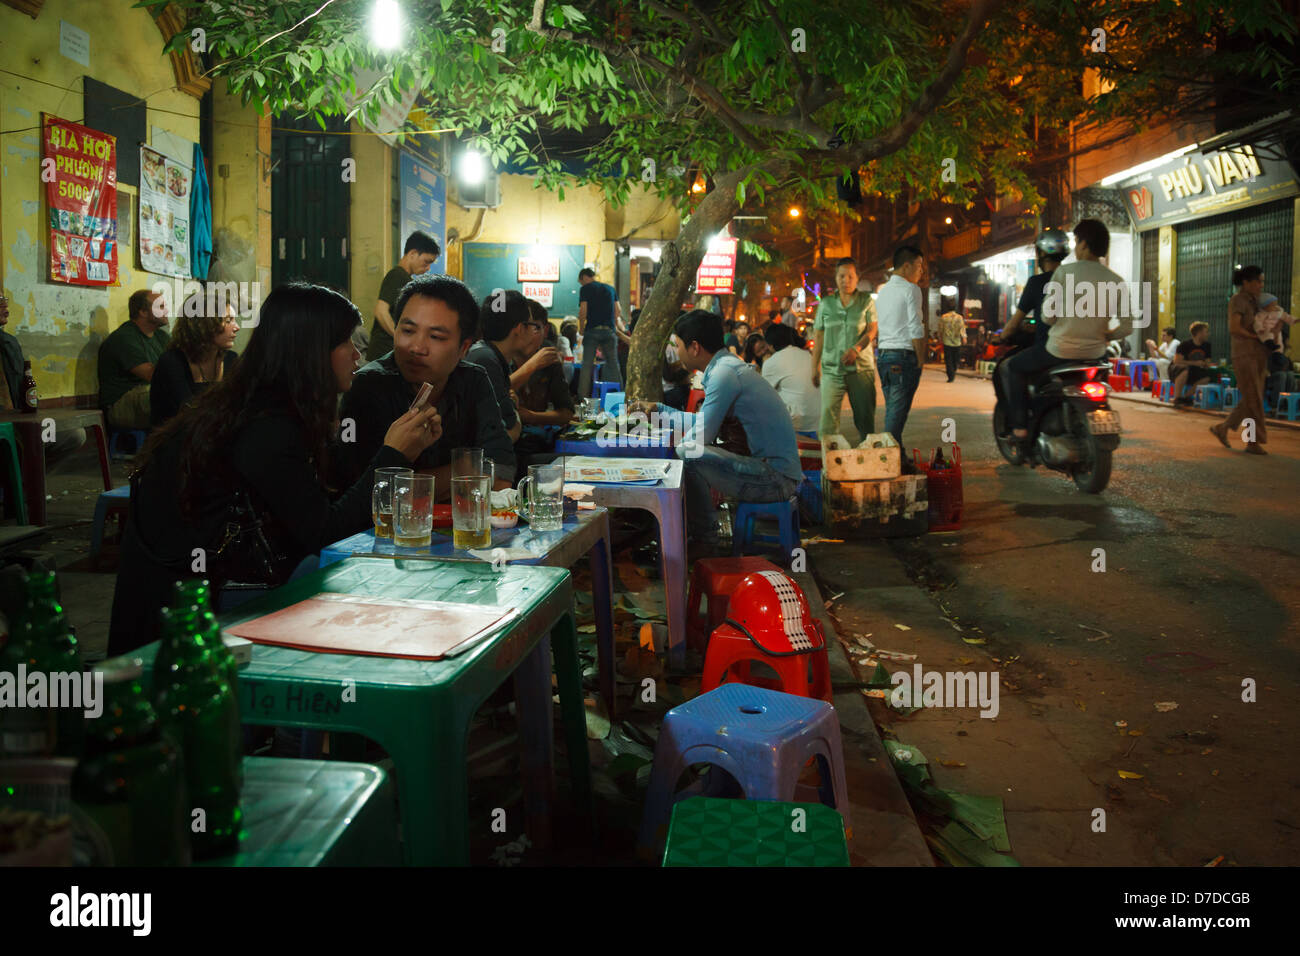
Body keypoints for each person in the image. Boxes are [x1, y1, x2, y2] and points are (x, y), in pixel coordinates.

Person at [107, 282, 441, 655]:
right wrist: (394, 456)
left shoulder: (260, 404)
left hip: (201, 591)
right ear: (312, 351)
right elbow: (324, 533)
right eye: (347, 342)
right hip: (189, 621)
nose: (357, 355)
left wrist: (395, 450)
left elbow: (328, 492)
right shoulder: (265, 425)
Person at [635, 310, 801, 557]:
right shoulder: (726, 368)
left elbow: (699, 438)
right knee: (685, 453)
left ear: (694, 347)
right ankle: (696, 535)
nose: (677, 352)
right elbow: (704, 423)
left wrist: (661, 467)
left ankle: (704, 540)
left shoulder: (725, 375)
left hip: (775, 479)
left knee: (686, 455)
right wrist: (658, 412)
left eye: (678, 346)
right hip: (774, 471)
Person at [340, 273, 515, 496]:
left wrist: (414, 481)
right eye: (408, 331)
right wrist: (463, 470)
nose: (417, 348)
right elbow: (366, 491)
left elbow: (500, 472)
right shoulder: (367, 386)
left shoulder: (474, 379)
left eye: (436, 336)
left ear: (463, 349)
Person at [1001, 221, 1129, 443]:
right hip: (1096, 354)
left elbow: (1047, 317)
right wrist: (1108, 335)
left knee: (1014, 366)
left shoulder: (1064, 272)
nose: (1076, 247)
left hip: (1059, 351)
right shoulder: (1116, 281)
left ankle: (1020, 428)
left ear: (1085, 244)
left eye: (1077, 241)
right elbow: (1128, 326)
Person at [0, 292, 85, 467]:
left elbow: (22, 388)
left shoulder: (9, 343)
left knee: (73, 434)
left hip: (17, 425)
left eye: (4, 300)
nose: (5, 307)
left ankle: (25, 486)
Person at [811, 257, 877, 442]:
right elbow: (819, 336)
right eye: (841, 276)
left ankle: (868, 462)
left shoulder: (866, 301)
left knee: (865, 421)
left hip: (861, 369)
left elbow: (872, 330)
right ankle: (829, 463)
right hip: (832, 370)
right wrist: (814, 367)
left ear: (857, 278)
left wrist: (856, 349)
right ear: (836, 278)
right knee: (827, 423)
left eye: (850, 276)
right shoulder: (825, 304)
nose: (845, 280)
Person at [150, 301, 239, 427]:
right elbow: (186, 414)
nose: (237, 327)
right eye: (229, 320)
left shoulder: (231, 359)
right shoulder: (172, 361)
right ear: (203, 325)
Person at [1210, 266, 1269, 455]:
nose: (1261, 285)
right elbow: (1235, 328)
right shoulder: (1238, 300)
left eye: (1262, 281)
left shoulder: (1256, 301)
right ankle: (1251, 442)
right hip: (1245, 355)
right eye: (1258, 281)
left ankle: (1223, 427)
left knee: (1253, 397)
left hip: (1258, 354)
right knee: (1253, 399)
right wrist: (1255, 337)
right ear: (1246, 282)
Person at [874, 246, 928, 446]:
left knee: (893, 411)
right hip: (903, 357)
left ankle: (898, 456)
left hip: (884, 356)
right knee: (897, 416)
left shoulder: (883, 291)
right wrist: (921, 359)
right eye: (919, 266)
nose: (921, 271)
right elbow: (915, 327)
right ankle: (886, 457)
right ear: (906, 266)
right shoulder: (911, 289)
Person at [98, 289, 171, 429]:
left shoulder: (162, 337)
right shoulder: (124, 338)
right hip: (120, 405)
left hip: (146, 394)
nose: (166, 311)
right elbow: (154, 376)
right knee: (168, 394)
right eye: (161, 306)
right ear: (143, 312)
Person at [366, 231, 440, 363]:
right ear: (412, 254)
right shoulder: (397, 276)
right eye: (426, 262)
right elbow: (381, 311)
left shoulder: (406, 279)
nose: (428, 268)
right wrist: (399, 338)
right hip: (382, 353)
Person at [995, 229, 1069, 352]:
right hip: (1075, 349)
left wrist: (1001, 337)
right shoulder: (1074, 279)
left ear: (1042, 253)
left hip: (1047, 350)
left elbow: (1013, 325)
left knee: (1007, 367)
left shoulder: (1036, 282)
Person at [577, 268, 629, 396]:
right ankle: (619, 397)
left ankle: (582, 398)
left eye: (581, 281)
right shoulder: (610, 288)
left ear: (584, 277)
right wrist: (613, 325)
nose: (581, 284)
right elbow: (618, 310)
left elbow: (583, 310)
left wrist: (582, 329)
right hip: (609, 332)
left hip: (592, 331)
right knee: (613, 364)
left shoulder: (585, 289)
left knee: (587, 365)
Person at [762, 321, 821, 432]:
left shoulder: (771, 362)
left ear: (770, 345)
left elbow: (764, 397)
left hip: (796, 424)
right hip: (819, 420)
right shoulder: (807, 354)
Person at [1170, 322, 1215, 406]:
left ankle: (1186, 397)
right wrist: (1194, 363)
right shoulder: (1185, 345)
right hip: (1177, 371)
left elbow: (1208, 361)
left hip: (1195, 371)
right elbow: (1177, 361)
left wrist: (1206, 364)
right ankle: (1177, 397)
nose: (1207, 334)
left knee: (1207, 377)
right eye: (1206, 332)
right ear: (1199, 333)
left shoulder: (1207, 345)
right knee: (1184, 370)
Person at [939, 309, 967, 382]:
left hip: (947, 341)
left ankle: (950, 375)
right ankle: (953, 371)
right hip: (957, 342)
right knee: (955, 359)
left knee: (948, 359)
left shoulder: (943, 317)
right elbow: (962, 328)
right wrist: (964, 338)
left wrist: (940, 338)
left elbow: (940, 329)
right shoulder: (959, 317)